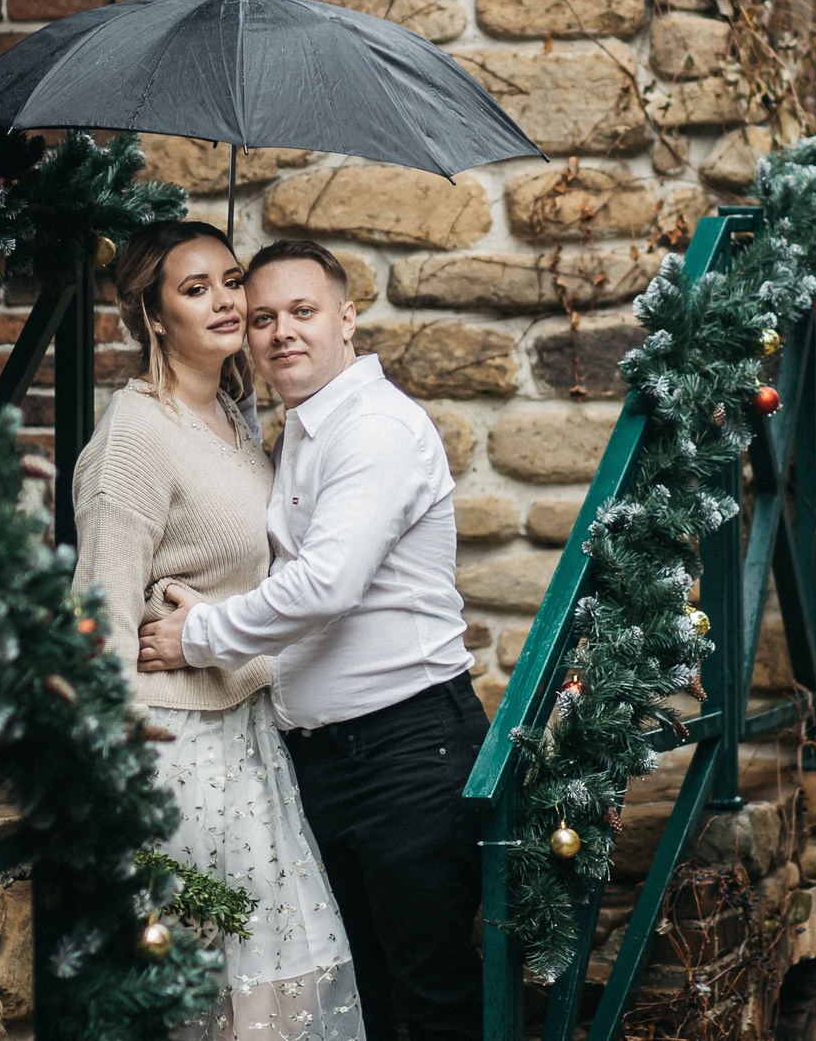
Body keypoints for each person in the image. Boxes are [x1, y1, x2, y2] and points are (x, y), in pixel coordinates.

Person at [136, 237, 483, 1041]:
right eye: (262, 318)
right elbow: (283, 583)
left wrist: (199, 635)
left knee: (430, 995)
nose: (281, 332)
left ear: (347, 319)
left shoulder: (376, 429)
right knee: (355, 994)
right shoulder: (297, 433)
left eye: (303, 311)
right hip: (323, 764)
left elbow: (326, 585)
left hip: (408, 754)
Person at [71, 221, 363, 1041]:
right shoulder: (132, 437)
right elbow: (97, 618)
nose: (227, 301)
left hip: (249, 740)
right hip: (174, 750)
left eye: (231, 280)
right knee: (202, 988)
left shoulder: (237, 419)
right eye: (194, 289)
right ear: (154, 316)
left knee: (272, 983)